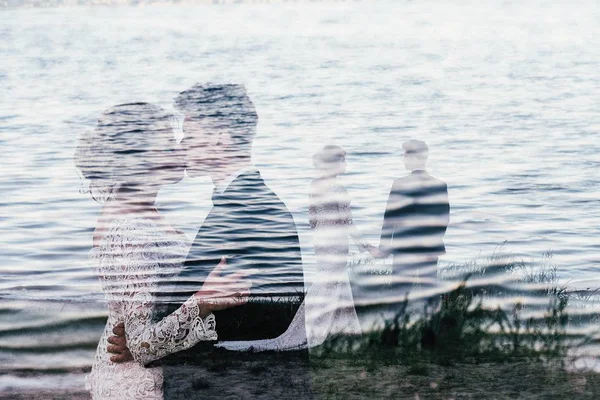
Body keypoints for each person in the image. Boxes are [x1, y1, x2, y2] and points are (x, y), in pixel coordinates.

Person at [105, 84, 312, 399]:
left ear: (221, 137)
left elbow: (267, 317)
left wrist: (144, 343)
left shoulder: (249, 209)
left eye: (189, 134)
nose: (182, 143)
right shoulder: (243, 204)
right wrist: (147, 328)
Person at [75, 103, 253, 400]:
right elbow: (141, 346)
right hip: (140, 387)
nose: (182, 146)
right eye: (170, 142)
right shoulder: (129, 233)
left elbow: (144, 318)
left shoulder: (144, 212)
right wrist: (204, 302)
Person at [376, 139, 450, 312]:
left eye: (405, 156)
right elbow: (443, 220)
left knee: (399, 296)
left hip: (404, 249)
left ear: (415, 157)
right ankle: (433, 333)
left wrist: (383, 248)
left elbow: (390, 220)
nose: (403, 160)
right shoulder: (439, 185)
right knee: (430, 295)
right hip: (429, 250)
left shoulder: (400, 184)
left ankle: (395, 334)